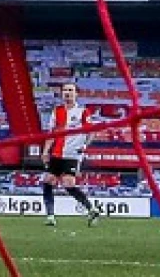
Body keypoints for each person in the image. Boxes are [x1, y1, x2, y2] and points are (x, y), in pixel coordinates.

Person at [41, 82, 101, 227]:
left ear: (76, 94)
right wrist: (45, 151)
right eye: (65, 90)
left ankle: (91, 208)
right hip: (56, 154)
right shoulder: (57, 111)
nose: (67, 93)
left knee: (68, 184)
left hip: (72, 155)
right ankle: (50, 216)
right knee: (48, 180)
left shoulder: (82, 112)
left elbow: (92, 131)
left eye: (71, 90)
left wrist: (85, 146)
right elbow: (52, 133)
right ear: (62, 93)